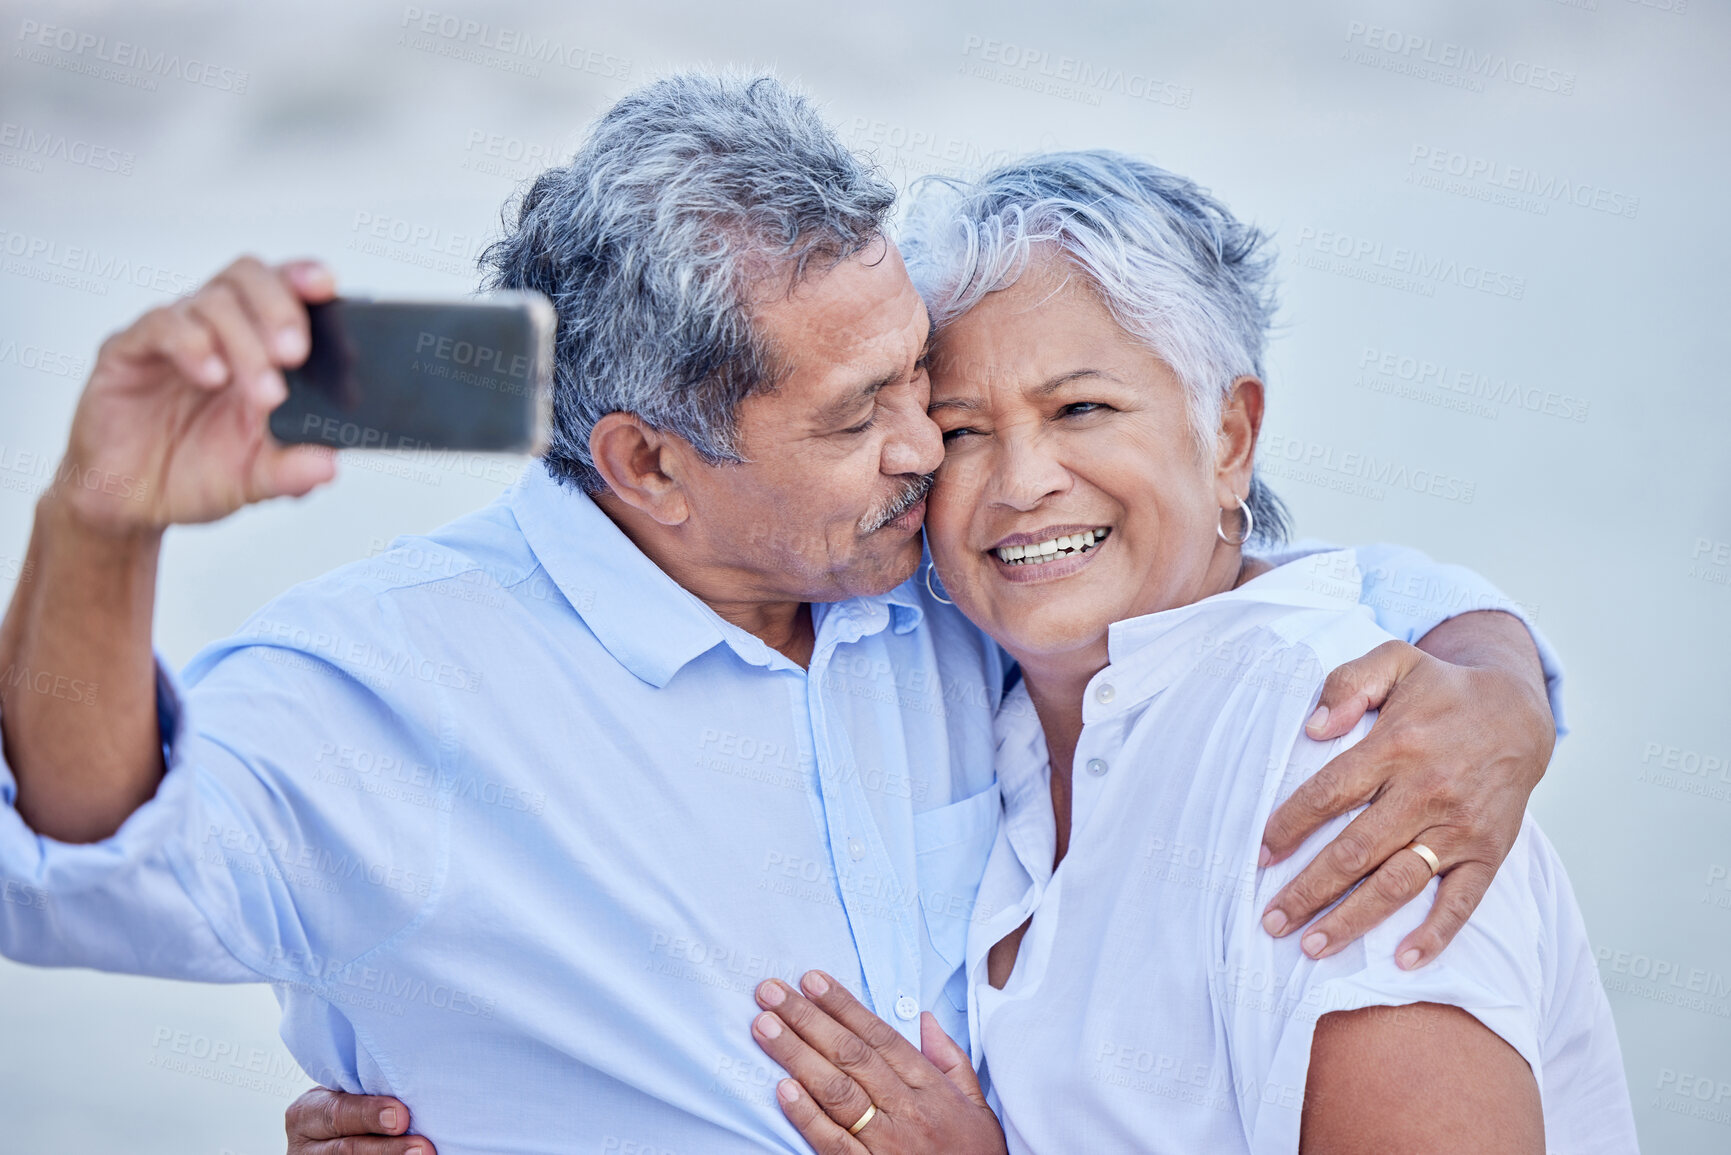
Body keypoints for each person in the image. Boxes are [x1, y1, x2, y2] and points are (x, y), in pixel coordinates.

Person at [0, 77, 1559, 1155]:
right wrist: (99, 522)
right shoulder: (398, 682)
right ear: (648, 464)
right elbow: (81, 852)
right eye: (868, 410)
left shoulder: (938, 588)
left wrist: (1493, 681)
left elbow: (1230, 582)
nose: (932, 456)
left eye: (914, 382)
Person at [744, 152, 1637, 1154]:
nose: (1023, 481)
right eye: (961, 432)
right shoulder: (1006, 691)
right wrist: (1499, 659)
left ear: (1229, 440)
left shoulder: (1357, 770)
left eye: (1082, 408)